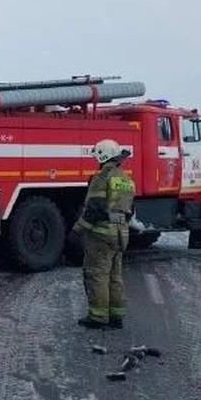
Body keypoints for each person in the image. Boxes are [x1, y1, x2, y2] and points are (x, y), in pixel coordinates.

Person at [73, 138, 136, 329]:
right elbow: (129, 210)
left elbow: (93, 210)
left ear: (103, 156)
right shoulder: (126, 179)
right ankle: (116, 316)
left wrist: (77, 231)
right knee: (115, 276)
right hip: (121, 235)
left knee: (97, 274)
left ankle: (98, 317)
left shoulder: (101, 178)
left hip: (101, 234)